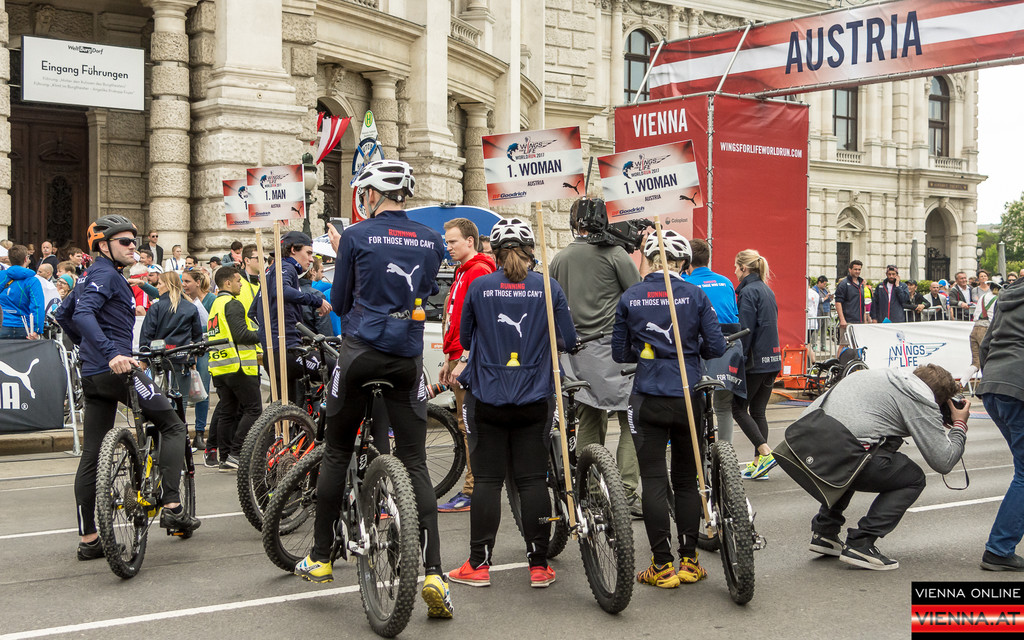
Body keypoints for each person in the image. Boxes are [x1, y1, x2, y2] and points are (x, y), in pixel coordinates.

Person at [306, 159, 454, 620]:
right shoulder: (431, 239)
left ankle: (321, 556)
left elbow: (340, 301)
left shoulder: (355, 235)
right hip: (407, 360)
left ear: (371, 195)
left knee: (336, 452)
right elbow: (428, 289)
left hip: (359, 355)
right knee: (415, 462)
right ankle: (434, 573)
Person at [56, 215, 199, 561]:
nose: (133, 246)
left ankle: (89, 539)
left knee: (92, 453)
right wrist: (111, 353)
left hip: (93, 376)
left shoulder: (92, 275)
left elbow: (63, 315)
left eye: (134, 240)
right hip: (116, 370)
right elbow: (83, 314)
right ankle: (172, 505)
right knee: (173, 425)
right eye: (124, 241)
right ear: (104, 246)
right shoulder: (105, 274)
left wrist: (88, 349)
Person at [447, 218, 575, 589]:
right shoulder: (548, 287)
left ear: (497, 253)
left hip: (487, 395)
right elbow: (568, 340)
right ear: (531, 250)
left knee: (487, 481)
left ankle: (478, 564)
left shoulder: (480, 286)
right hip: (535, 396)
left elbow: (466, 338)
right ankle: (538, 565)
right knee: (532, 480)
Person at [612, 230, 726, 588]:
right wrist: (689, 349)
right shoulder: (696, 294)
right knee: (687, 481)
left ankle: (661, 566)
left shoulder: (631, 296)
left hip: (647, 396)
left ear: (648, 259)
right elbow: (716, 347)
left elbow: (620, 352)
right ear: (683, 263)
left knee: (653, 481)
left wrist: (646, 351)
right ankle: (690, 562)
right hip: (688, 396)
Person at [804, 364, 967, 570]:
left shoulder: (884, 377)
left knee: (865, 448)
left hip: (803, 448)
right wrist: (959, 425)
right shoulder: (921, 397)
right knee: (912, 478)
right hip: (839, 456)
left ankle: (825, 532)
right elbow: (943, 461)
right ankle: (861, 543)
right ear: (939, 399)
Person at [550, 197, 643, 516]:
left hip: (577, 354)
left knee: (589, 418)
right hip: (617, 353)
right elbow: (638, 298)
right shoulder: (616, 255)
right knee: (631, 420)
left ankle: (591, 490)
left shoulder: (560, 258)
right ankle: (626, 491)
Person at [437, 217, 496, 514]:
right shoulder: (463, 271)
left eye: (453, 241)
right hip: (459, 357)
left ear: (470, 241)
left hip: (469, 361)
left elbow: (480, 321)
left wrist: (461, 359)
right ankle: (478, 486)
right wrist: (448, 358)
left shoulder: (478, 271)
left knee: (469, 424)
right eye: (447, 242)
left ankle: (473, 490)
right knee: (466, 423)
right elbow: (454, 317)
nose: (448, 247)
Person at [976, 277, 1024, 570]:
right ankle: (999, 548)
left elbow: (986, 344)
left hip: (994, 386)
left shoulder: (1010, 295)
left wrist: (995, 378)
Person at [250, 231, 330, 402]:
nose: (311, 259)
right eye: (309, 253)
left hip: (272, 352)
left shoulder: (271, 270)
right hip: (288, 351)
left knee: (287, 409)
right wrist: (316, 301)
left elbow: (253, 312)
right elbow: (281, 291)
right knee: (338, 370)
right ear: (293, 250)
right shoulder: (286, 267)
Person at [682, 238, 743, 444]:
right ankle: (726, 453)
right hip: (729, 347)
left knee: (695, 403)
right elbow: (733, 316)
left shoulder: (685, 284)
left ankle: (697, 450)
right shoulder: (726, 282)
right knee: (724, 407)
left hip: (700, 348)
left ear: (687, 260)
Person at [732, 249, 782, 479]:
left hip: (756, 361)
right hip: (773, 358)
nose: (734, 271)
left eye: (736, 267)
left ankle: (765, 453)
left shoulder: (748, 292)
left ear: (744, 268)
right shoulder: (766, 290)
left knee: (738, 408)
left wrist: (738, 359)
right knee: (758, 411)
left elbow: (745, 330)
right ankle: (758, 464)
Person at [206, 266, 262, 469]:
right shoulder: (233, 303)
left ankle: (225, 457)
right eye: (238, 281)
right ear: (227, 283)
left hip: (221, 367)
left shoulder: (216, 304)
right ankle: (236, 453)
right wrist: (264, 335)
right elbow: (241, 335)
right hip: (239, 366)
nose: (241, 285)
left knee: (227, 412)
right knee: (254, 409)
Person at [140, 272, 204, 414]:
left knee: (159, 399)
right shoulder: (190, 307)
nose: (157, 287)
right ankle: (180, 426)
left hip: (159, 358)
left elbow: (147, 334)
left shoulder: (156, 307)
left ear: (168, 285)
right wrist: (194, 357)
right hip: (182, 358)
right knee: (182, 400)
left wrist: (143, 358)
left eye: (160, 283)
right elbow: (197, 336)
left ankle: (165, 426)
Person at [182, 269, 213, 451]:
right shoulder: (182, 299)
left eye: (187, 281)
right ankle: (182, 432)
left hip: (204, 350)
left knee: (202, 390)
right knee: (182, 392)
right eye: (182, 281)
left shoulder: (211, 300)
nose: (184, 285)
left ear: (198, 282)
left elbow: (215, 323)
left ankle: (200, 432)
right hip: (186, 348)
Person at [960, 278, 1000, 387]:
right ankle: (987, 386)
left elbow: (976, 314)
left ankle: (961, 384)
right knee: (990, 360)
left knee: (976, 363)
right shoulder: (998, 299)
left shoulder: (983, 297)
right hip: (986, 330)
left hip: (975, 329)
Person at [0, 244, 46, 338]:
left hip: (2, 324)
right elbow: (37, 305)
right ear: (26, 259)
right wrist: (37, 329)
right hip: (24, 327)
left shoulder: (1, 276)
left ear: (10, 259)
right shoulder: (32, 281)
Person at [834, 259, 869, 352]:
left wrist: (865, 320)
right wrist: (842, 319)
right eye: (855, 269)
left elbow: (862, 303)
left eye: (859, 269)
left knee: (856, 344)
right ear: (850, 270)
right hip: (848, 320)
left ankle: (854, 361)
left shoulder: (861, 284)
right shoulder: (843, 284)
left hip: (859, 321)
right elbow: (838, 302)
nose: (857, 271)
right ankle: (840, 361)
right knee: (844, 344)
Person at [298, 256, 332, 337]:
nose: (323, 275)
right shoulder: (317, 295)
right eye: (322, 271)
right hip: (311, 342)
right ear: (312, 271)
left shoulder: (284, 292)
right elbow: (325, 331)